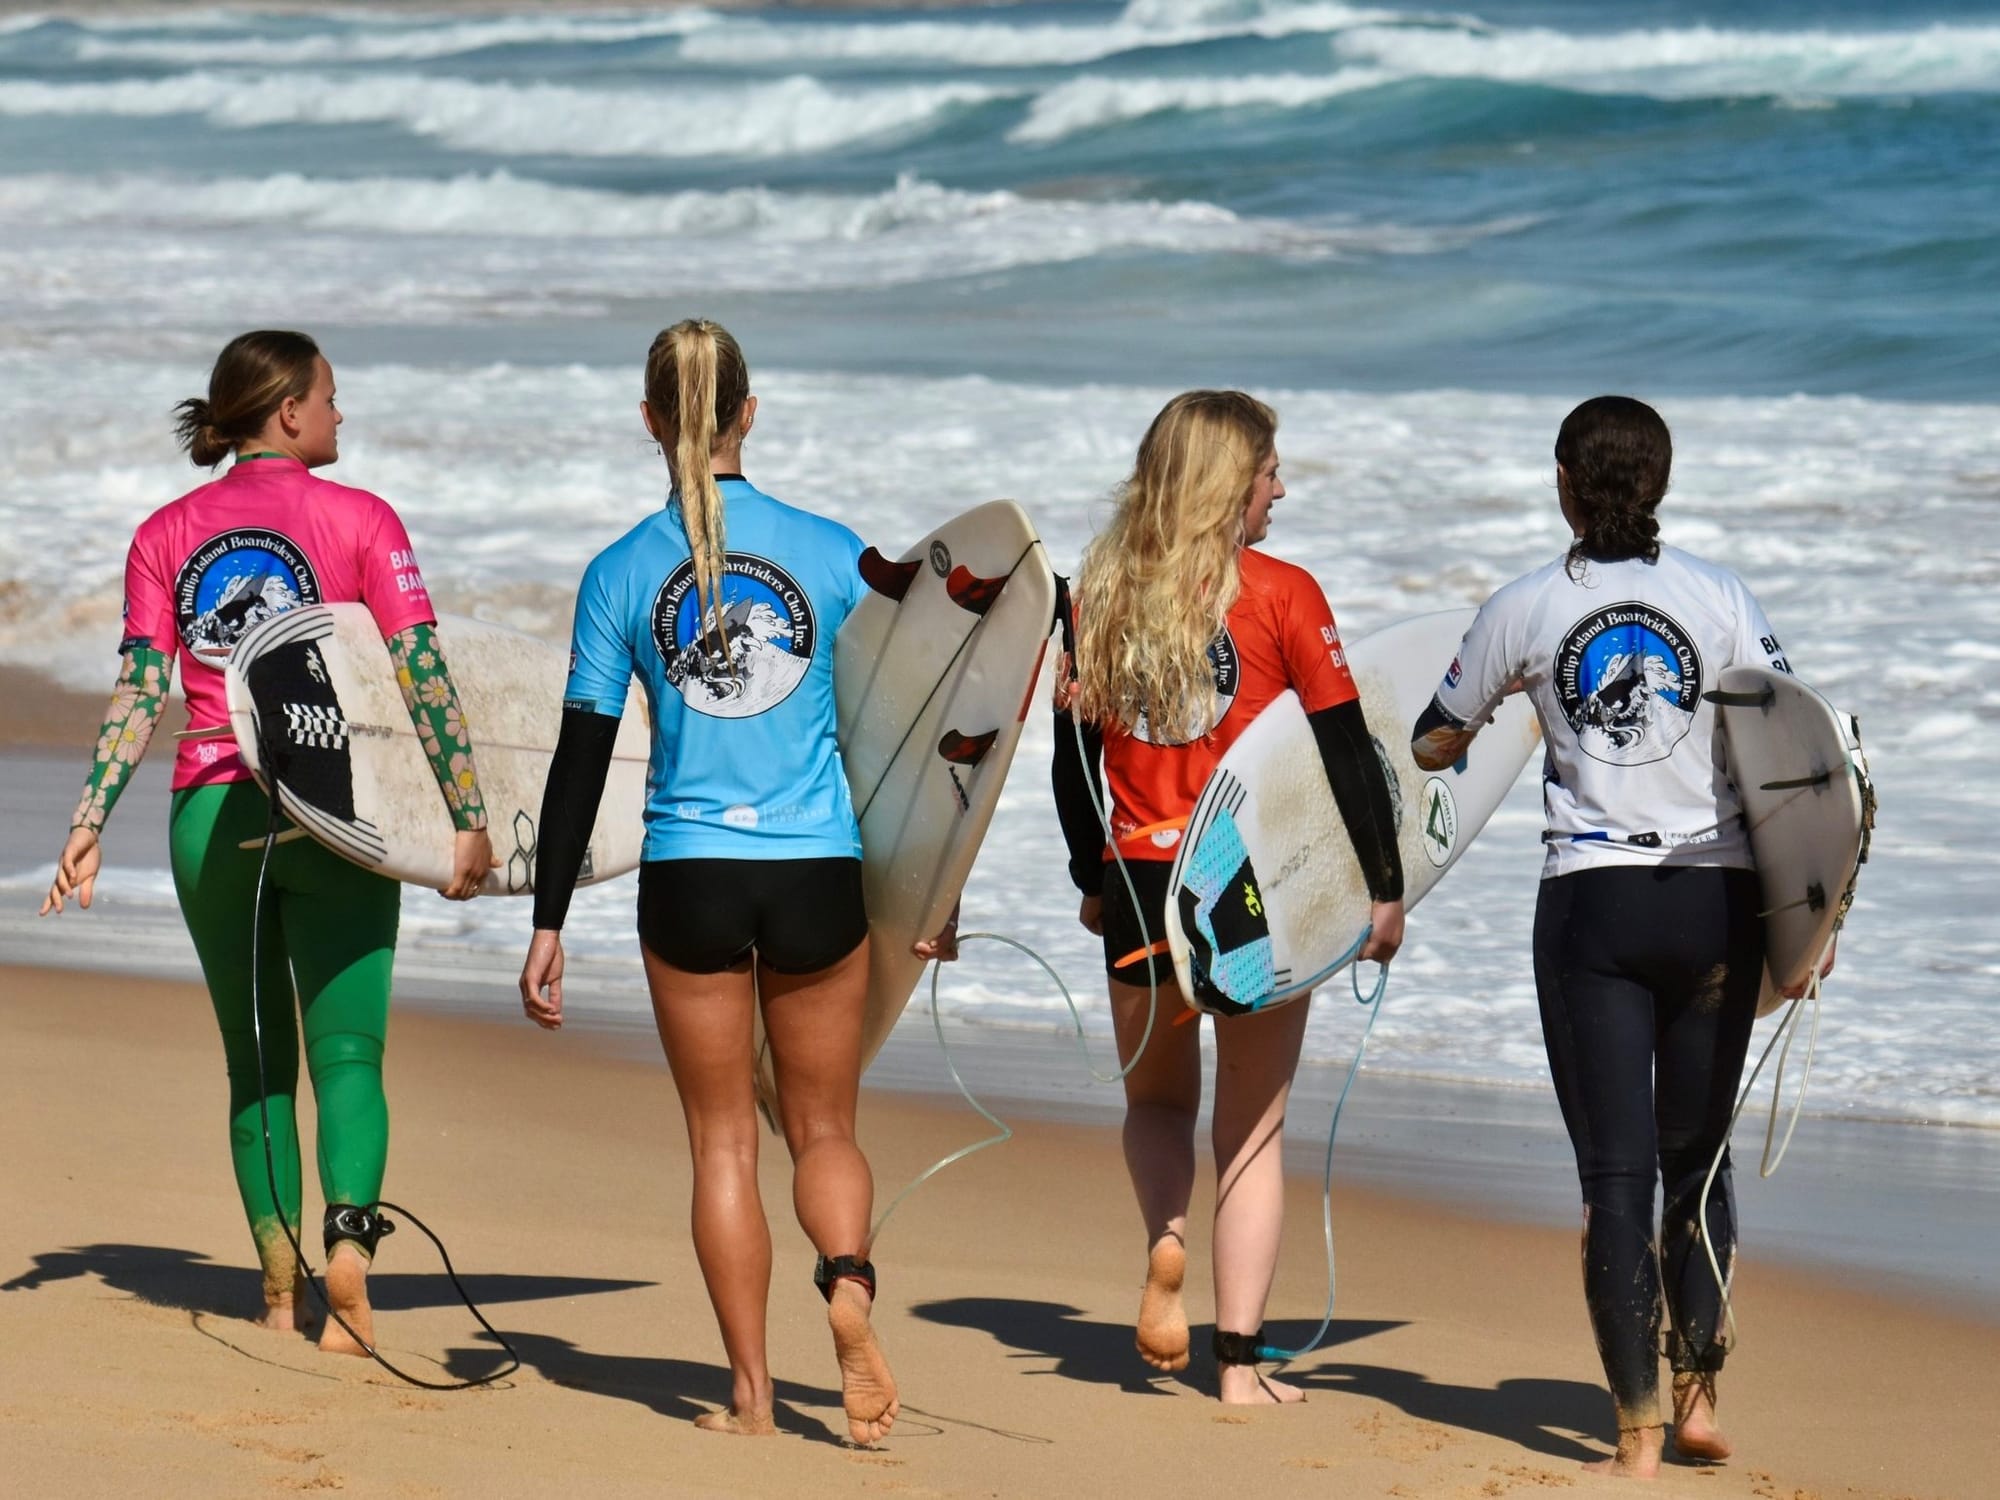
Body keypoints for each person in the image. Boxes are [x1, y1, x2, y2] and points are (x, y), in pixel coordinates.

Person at [39, 330, 496, 1354]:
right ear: (288, 410)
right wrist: (466, 815)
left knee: (255, 1068)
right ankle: (349, 1255)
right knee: (348, 1056)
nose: (341, 414)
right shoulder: (363, 519)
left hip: (214, 809)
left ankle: (280, 1284)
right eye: (331, 397)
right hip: (339, 809)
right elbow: (423, 674)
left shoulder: (164, 532)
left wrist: (88, 821)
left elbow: (142, 690)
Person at [520, 318, 933, 1445]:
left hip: (689, 877)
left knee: (721, 1143)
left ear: (650, 421)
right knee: (823, 1124)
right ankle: (847, 1282)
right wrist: (934, 890)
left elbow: (579, 759)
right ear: (749, 413)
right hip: (816, 873)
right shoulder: (834, 552)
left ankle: (750, 1400)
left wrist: (548, 916)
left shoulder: (617, 572)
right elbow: (918, 730)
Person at [1411, 395, 1800, 1478]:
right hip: (1713, 903)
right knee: (1697, 1158)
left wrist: (1496, 711)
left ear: (1564, 485)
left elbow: (1434, 739)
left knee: (1615, 1176)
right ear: (1660, 484)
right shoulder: (1722, 599)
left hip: (1593, 904)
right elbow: (1797, 759)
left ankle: (1631, 1433)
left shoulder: (1525, 606)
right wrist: (1805, 925)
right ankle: (1697, 1396)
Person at [1050, 390, 1405, 1404]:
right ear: (1226, 483)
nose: (1278, 489)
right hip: (1245, 890)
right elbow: (1346, 757)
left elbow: (1068, 758)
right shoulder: (1284, 593)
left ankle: (1164, 1240)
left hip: (1135, 880)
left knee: (1156, 1104)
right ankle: (1239, 1369)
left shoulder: (1096, 593)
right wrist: (1382, 892)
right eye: (1267, 471)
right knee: (1249, 1128)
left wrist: (1091, 878)